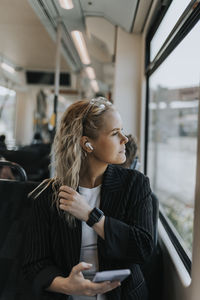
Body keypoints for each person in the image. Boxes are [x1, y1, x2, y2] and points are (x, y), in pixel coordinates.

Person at [23, 97, 154, 300]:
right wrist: (67, 286)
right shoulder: (48, 195)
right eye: (114, 133)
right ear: (87, 144)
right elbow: (35, 263)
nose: (124, 139)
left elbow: (143, 248)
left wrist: (92, 216)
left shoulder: (135, 184)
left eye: (122, 130)